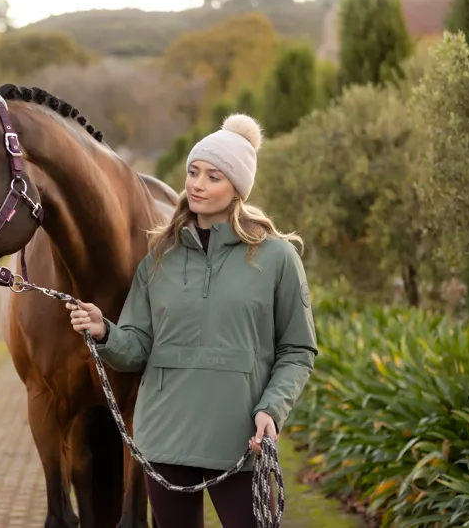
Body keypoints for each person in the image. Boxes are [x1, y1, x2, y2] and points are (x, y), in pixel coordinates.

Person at [66, 113, 317, 528]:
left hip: (240, 439)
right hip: (165, 437)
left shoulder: (277, 258)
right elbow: (138, 347)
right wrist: (105, 332)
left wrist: (271, 410)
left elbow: (297, 350)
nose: (197, 184)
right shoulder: (160, 257)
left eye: (213, 176)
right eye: (193, 172)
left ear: (237, 188)